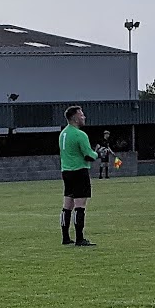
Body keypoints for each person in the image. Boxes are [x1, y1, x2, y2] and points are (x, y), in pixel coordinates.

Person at [58, 105, 98, 246]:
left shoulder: (63, 134)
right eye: (81, 115)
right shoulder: (80, 135)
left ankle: (65, 237)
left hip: (66, 171)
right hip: (79, 171)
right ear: (75, 118)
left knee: (67, 205)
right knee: (79, 206)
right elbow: (88, 155)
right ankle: (80, 238)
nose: (84, 117)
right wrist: (97, 153)